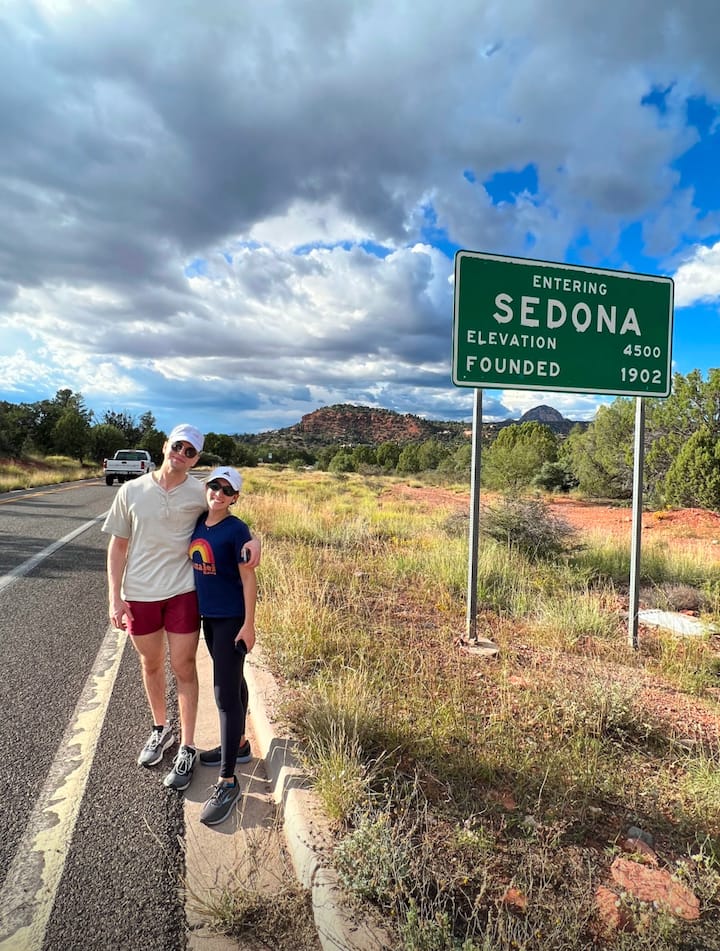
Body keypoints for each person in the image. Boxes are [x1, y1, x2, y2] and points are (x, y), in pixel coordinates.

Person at [102, 424, 261, 792]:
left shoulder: (198, 492)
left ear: (196, 459)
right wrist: (115, 597)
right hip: (140, 593)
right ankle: (161, 729)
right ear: (165, 446)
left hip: (183, 593)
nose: (182, 454)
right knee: (150, 663)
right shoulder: (131, 491)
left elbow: (230, 522)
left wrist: (256, 541)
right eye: (178, 446)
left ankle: (187, 747)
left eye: (190, 451)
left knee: (184, 666)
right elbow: (118, 546)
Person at [189, 466, 256, 825]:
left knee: (224, 694)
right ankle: (240, 745)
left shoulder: (236, 529)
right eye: (214, 486)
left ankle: (228, 782)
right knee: (234, 681)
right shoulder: (200, 522)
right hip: (209, 619)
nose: (218, 493)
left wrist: (249, 624)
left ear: (235, 498)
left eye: (226, 490)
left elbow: (249, 578)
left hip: (231, 620)